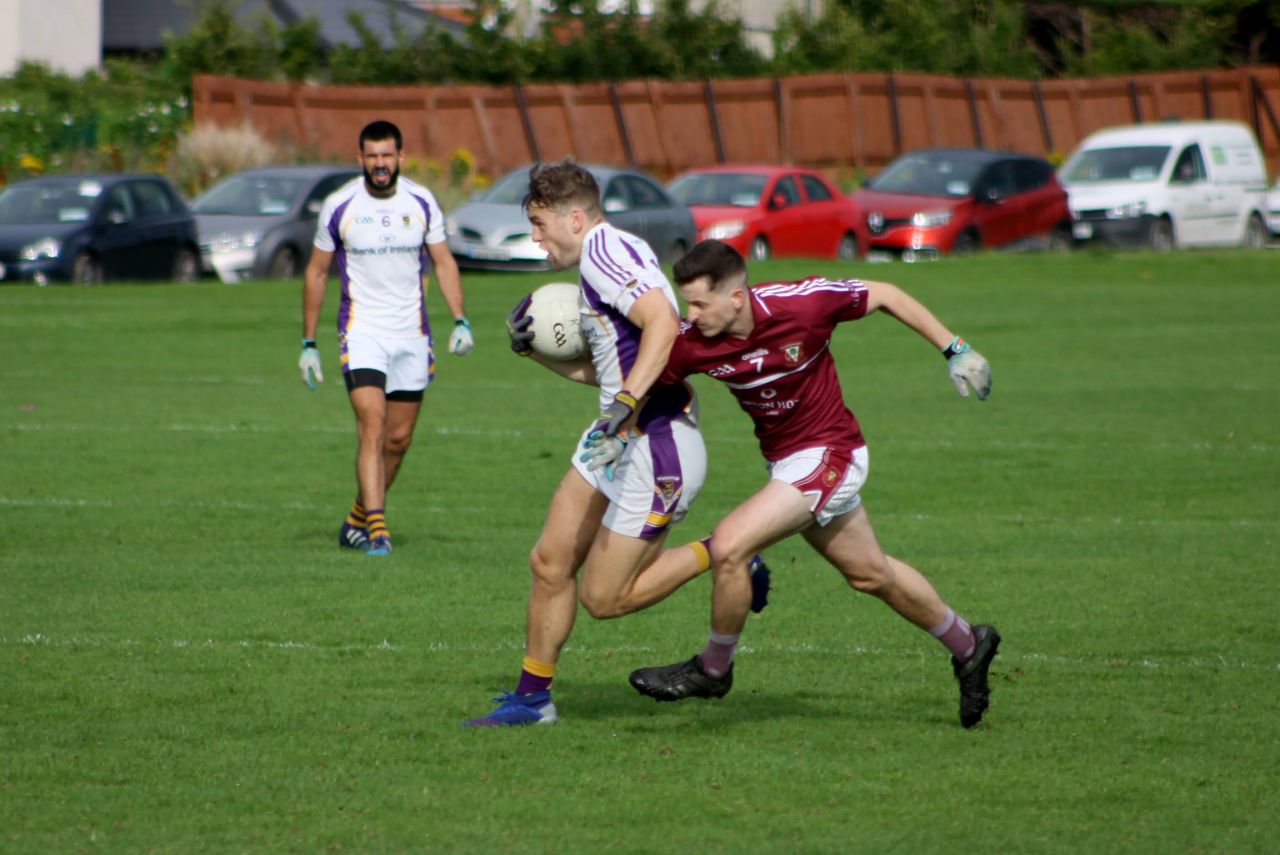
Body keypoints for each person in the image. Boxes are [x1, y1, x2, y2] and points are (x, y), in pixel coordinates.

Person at [623, 239, 1002, 728]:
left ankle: (714, 669)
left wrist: (956, 348)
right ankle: (969, 645)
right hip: (786, 465)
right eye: (686, 303)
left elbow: (885, 292)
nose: (690, 315)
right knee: (869, 574)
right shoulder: (692, 340)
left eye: (699, 302)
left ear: (735, 298)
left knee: (732, 545)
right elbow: (641, 378)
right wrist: (610, 416)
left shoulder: (800, 304)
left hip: (832, 453)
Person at [464, 161, 768, 728]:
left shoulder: (606, 253)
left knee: (605, 599)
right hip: (615, 436)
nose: (534, 236)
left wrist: (627, 407)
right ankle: (533, 700)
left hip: (656, 446)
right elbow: (609, 369)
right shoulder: (601, 259)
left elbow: (661, 321)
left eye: (538, 223)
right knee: (550, 561)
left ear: (573, 217)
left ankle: (730, 553)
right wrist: (535, 353)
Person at [298, 119, 473, 556]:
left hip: (411, 335)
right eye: (372, 156)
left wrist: (460, 319)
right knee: (371, 424)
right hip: (361, 333)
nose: (380, 164)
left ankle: (356, 519)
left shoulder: (422, 201)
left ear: (401, 157)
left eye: (386, 155)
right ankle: (378, 530)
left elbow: (444, 263)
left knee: (398, 440)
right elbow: (317, 272)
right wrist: (308, 344)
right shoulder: (340, 205)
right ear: (360, 159)